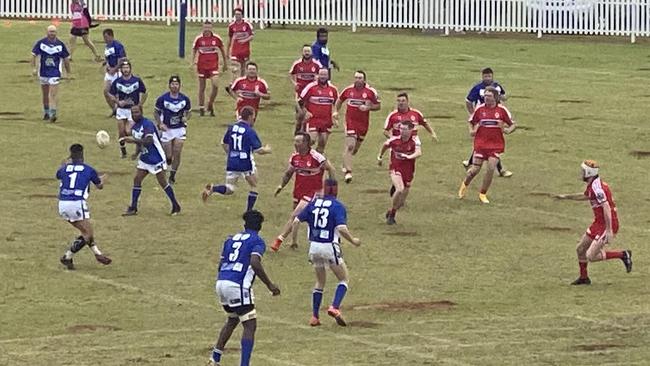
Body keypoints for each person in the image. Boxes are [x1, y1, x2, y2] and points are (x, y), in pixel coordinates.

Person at [210, 210, 280, 366]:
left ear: (244, 224)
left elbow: (221, 264)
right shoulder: (257, 241)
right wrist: (270, 285)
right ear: (260, 226)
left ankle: (215, 357)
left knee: (233, 319)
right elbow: (255, 262)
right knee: (250, 324)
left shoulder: (230, 239)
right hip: (237, 285)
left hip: (221, 282)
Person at [293, 179, 360, 326]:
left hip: (314, 247)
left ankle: (315, 317)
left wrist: (294, 241)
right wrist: (353, 241)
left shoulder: (313, 204)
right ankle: (334, 307)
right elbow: (342, 228)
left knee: (320, 281)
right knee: (344, 279)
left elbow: (296, 221)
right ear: (336, 190)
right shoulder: (337, 206)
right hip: (329, 246)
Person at [556, 161, 632, 285]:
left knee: (591, 256)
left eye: (583, 171)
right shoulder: (593, 185)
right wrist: (566, 197)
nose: (581, 173)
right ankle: (584, 278)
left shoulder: (597, 188)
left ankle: (623, 254)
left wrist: (608, 230)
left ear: (589, 173)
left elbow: (606, 207)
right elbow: (585, 196)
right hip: (598, 223)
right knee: (580, 249)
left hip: (607, 224)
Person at [271, 132, 336, 251]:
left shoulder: (316, 157)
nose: (295, 144)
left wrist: (331, 189)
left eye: (298, 141)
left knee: (295, 215)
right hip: (298, 191)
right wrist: (281, 186)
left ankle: (279, 240)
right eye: (295, 141)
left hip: (313, 192)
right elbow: (288, 173)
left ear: (306, 143)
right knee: (298, 218)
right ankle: (295, 242)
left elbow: (330, 169)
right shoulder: (295, 157)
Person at [202, 106, 272, 211]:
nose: (254, 119)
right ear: (249, 117)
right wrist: (267, 150)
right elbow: (258, 150)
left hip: (232, 161)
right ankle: (249, 211)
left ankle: (213, 188)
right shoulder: (249, 131)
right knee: (254, 186)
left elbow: (223, 143)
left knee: (230, 188)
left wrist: (230, 154)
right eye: (253, 117)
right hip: (245, 162)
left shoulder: (232, 128)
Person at [57, 144, 111, 270]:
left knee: (85, 232)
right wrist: (102, 179)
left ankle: (76, 256)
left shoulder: (64, 169)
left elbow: (59, 175)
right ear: (82, 155)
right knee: (88, 233)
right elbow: (99, 186)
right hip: (76, 203)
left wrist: (64, 164)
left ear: (71, 155)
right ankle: (72, 256)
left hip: (62, 204)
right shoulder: (88, 169)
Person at [458, 87, 516, 204]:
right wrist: (472, 131)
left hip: (495, 145)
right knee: (474, 170)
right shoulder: (480, 109)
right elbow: (471, 121)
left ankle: (482, 194)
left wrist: (507, 130)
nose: (486, 98)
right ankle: (465, 184)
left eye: (489, 96)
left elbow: (513, 124)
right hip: (481, 144)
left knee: (490, 168)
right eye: (485, 96)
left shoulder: (502, 110)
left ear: (495, 97)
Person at [121, 105, 181, 216]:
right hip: (145, 158)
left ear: (142, 112)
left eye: (137, 112)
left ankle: (175, 205)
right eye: (133, 113)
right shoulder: (135, 127)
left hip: (156, 158)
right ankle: (133, 207)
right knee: (137, 179)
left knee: (163, 182)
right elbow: (141, 142)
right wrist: (136, 153)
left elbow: (148, 141)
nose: (135, 114)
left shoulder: (147, 124)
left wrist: (133, 140)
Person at [463, 67, 512, 177]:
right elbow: (468, 100)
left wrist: (504, 98)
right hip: (483, 117)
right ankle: (501, 170)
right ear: (482, 77)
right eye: (485, 76)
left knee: (487, 143)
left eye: (489, 76)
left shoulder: (497, 87)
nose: (487, 78)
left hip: (496, 116)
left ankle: (470, 162)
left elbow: (503, 96)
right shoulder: (477, 88)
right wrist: (472, 114)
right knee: (488, 145)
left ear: (492, 76)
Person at [335, 70, 381, 183]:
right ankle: (348, 172)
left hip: (363, 124)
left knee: (354, 149)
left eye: (360, 78)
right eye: (356, 77)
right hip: (350, 121)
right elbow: (340, 100)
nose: (357, 80)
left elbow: (378, 106)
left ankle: (345, 162)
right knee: (350, 145)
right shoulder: (348, 90)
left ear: (364, 80)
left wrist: (368, 108)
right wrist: (335, 112)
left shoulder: (370, 92)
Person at [377, 121, 422, 225]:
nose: (402, 131)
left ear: (411, 130)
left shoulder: (415, 140)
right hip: (395, 168)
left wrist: (408, 157)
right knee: (400, 189)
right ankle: (392, 215)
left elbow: (419, 152)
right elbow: (385, 145)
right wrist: (379, 157)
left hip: (409, 170)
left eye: (405, 129)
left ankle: (391, 211)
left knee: (401, 202)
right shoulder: (394, 140)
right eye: (401, 129)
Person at [154, 75, 192, 184]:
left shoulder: (184, 99)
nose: (174, 86)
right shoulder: (162, 99)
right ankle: (168, 161)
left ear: (180, 86)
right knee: (168, 155)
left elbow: (189, 112)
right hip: (167, 129)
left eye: (176, 84)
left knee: (177, 152)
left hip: (179, 128)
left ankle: (172, 175)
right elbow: (156, 112)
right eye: (172, 84)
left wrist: (186, 118)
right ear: (169, 85)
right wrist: (160, 123)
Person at [31, 25, 71, 123]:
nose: (52, 33)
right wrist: (33, 68)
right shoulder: (41, 43)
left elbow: (66, 59)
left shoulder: (60, 45)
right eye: (50, 31)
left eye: (53, 31)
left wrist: (68, 72)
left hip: (55, 73)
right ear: (47, 32)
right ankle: (46, 112)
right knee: (45, 94)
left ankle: (53, 113)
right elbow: (33, 55)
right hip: (43, 72)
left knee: (52, 94)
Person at [108, 60, 147, 159]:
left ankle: (139, 147)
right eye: (124, 68)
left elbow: (144, 92)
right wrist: (117, 102)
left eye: (127, 68)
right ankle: (123, 151)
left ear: (130, 69)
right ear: (121, 70)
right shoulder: (117, 82)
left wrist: (140, 104)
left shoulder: (136, 81)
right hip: (121, 110)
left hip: (132, 111)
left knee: (129, 131)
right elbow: (110, 94)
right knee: (121, 132)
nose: (126, 70)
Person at [192, 22, 228, 117]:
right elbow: (194, 50)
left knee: (215, 85)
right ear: (203, 28)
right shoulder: (199, 39)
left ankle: (210, 103)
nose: (207, 29)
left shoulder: (216, 38)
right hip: (202, 66)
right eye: (205, 27)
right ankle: (201, 108)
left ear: (211, 28)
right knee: (202, 88)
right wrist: (193, 62)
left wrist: (225, 63)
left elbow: (222, 50)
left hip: (213, 66)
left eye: (209, 27)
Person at [300, 68, 338, 153]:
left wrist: (335, 114)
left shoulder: (333, 89)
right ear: (317, 75)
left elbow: (336, 104)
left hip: (326, 120)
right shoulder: (311, 87)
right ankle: (300, 155)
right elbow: (300, 101)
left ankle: (316, 163)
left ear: (328, 76)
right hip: (313, 119)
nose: (322, 77)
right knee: (311, 140)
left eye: (325, 75)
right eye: (321, 74)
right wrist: (306, 112)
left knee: (322, 144)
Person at [289, 45, 322, 133]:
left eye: (308, 51)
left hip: (311, 93)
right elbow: (291, 74)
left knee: (307, 114)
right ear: (302, 52)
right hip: (300, 93)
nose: (307, 53)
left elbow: (322, 75)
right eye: (305, 51)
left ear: (311, 53)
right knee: (300, 114)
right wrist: (294, 83)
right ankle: (297, 130)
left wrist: (317, 79)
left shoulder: (316, 64)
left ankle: (303, 133)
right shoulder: (297, 64)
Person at [102, 29, 127, 116]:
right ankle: (114, 109)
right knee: (106, 91)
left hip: (117, 72)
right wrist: (107, 65)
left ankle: (121, 110)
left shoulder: (118, 45)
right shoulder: (107, 46)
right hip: (110, 72)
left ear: (111, 36)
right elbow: (107, 57)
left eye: (106, 37)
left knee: (118, 93)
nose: (105, 39)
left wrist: (115, 69)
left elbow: (122, 59)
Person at [227, 8, 254, 80]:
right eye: (236, 14)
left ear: (242, 15)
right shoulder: (232, 26)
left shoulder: (247, 24)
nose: (237, 16)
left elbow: (251, 36)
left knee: (243, 68)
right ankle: (233, 83)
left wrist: (244, 40)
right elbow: (229, 39)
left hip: (245, 50)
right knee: (235, 67)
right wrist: (228, 51)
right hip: (235, 50)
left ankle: (242, 82)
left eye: (238, 14)